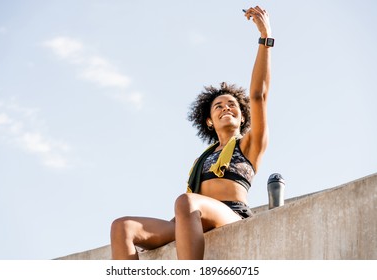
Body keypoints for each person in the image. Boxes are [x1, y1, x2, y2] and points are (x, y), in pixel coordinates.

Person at [110, 6, 273, 260]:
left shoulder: (249, 144)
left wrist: (265, 38)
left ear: (242, 117)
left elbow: (258, 96)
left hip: (230, 214)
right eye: (218, 106)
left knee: (187, 202)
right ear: (209, 121)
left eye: (232, 105)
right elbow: (185, 208)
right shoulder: (204, 158)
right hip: (191, 216)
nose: (226, 108)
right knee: (122, 227)